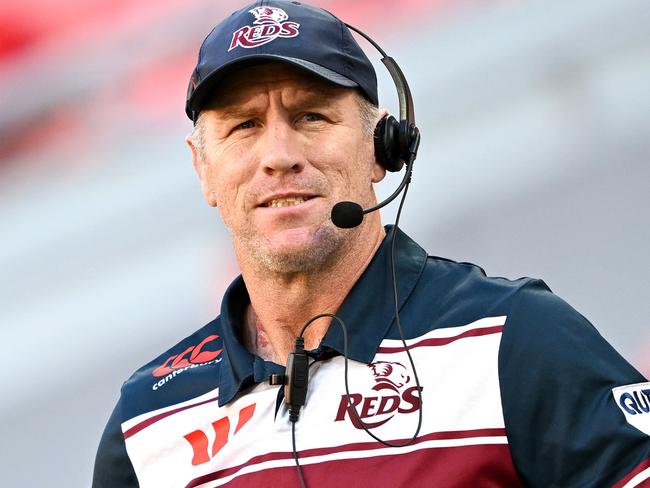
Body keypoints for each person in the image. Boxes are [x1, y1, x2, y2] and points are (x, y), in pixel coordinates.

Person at [93, 1, 650, 487]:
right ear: (202, 168)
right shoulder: (146, 422)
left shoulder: (515, 339)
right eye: (244, 126)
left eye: (312, 116)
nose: (279, 154)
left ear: (383, 147)